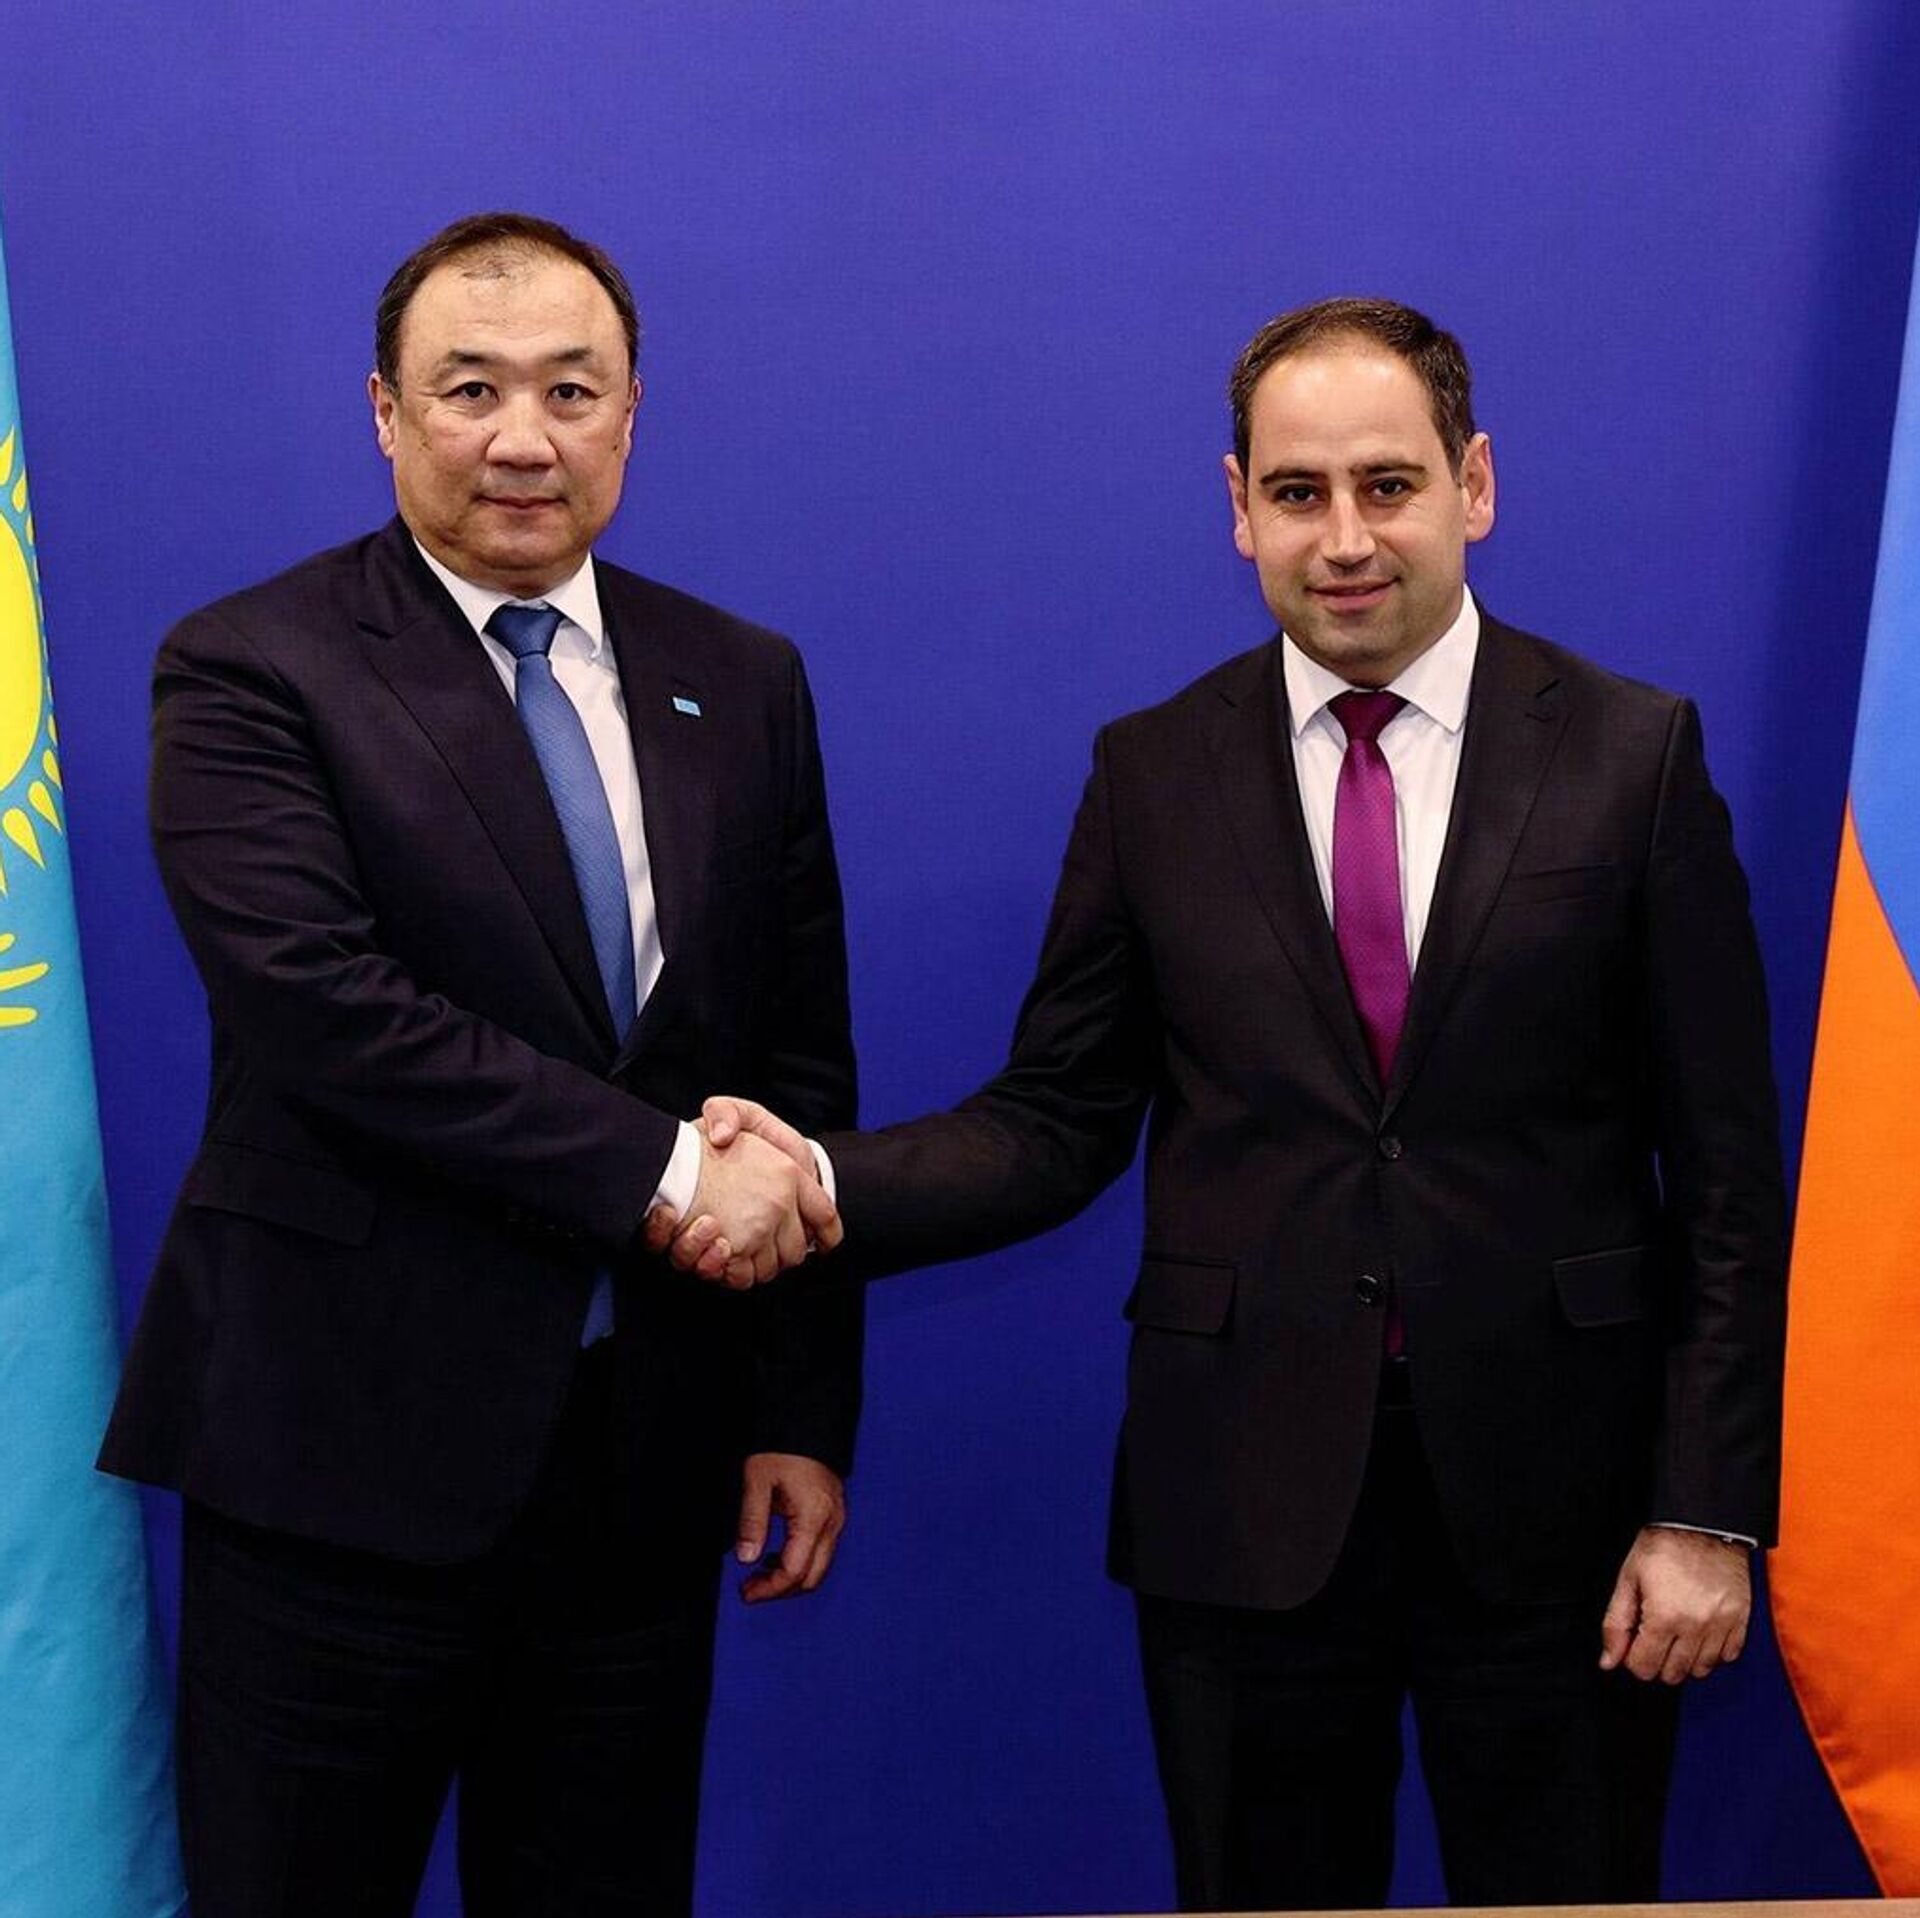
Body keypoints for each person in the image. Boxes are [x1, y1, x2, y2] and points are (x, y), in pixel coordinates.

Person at [666, 298, 1788, 1911]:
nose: (1346, 538)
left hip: (1574, 1519)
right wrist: (824, 1182)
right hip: (1244, 1510)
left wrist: (1705, 1508)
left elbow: (1732, 1180)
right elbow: (1053, 1119)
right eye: (1298, 491)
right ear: (1238, 506)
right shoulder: (1155, 771)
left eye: (1388, 485)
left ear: (1474, 484)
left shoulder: (1633, 754)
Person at [99, 211, 859, 1918]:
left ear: (631, 414)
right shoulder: (252, 665)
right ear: (385, 411)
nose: (525, 437)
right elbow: (327, 1011)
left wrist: (797, 1407)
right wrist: (672, 1172)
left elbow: (794, 1057)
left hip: (641, 1477)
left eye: (571, 391)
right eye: (471, 389)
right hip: (336, 1467)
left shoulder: (743, 679)